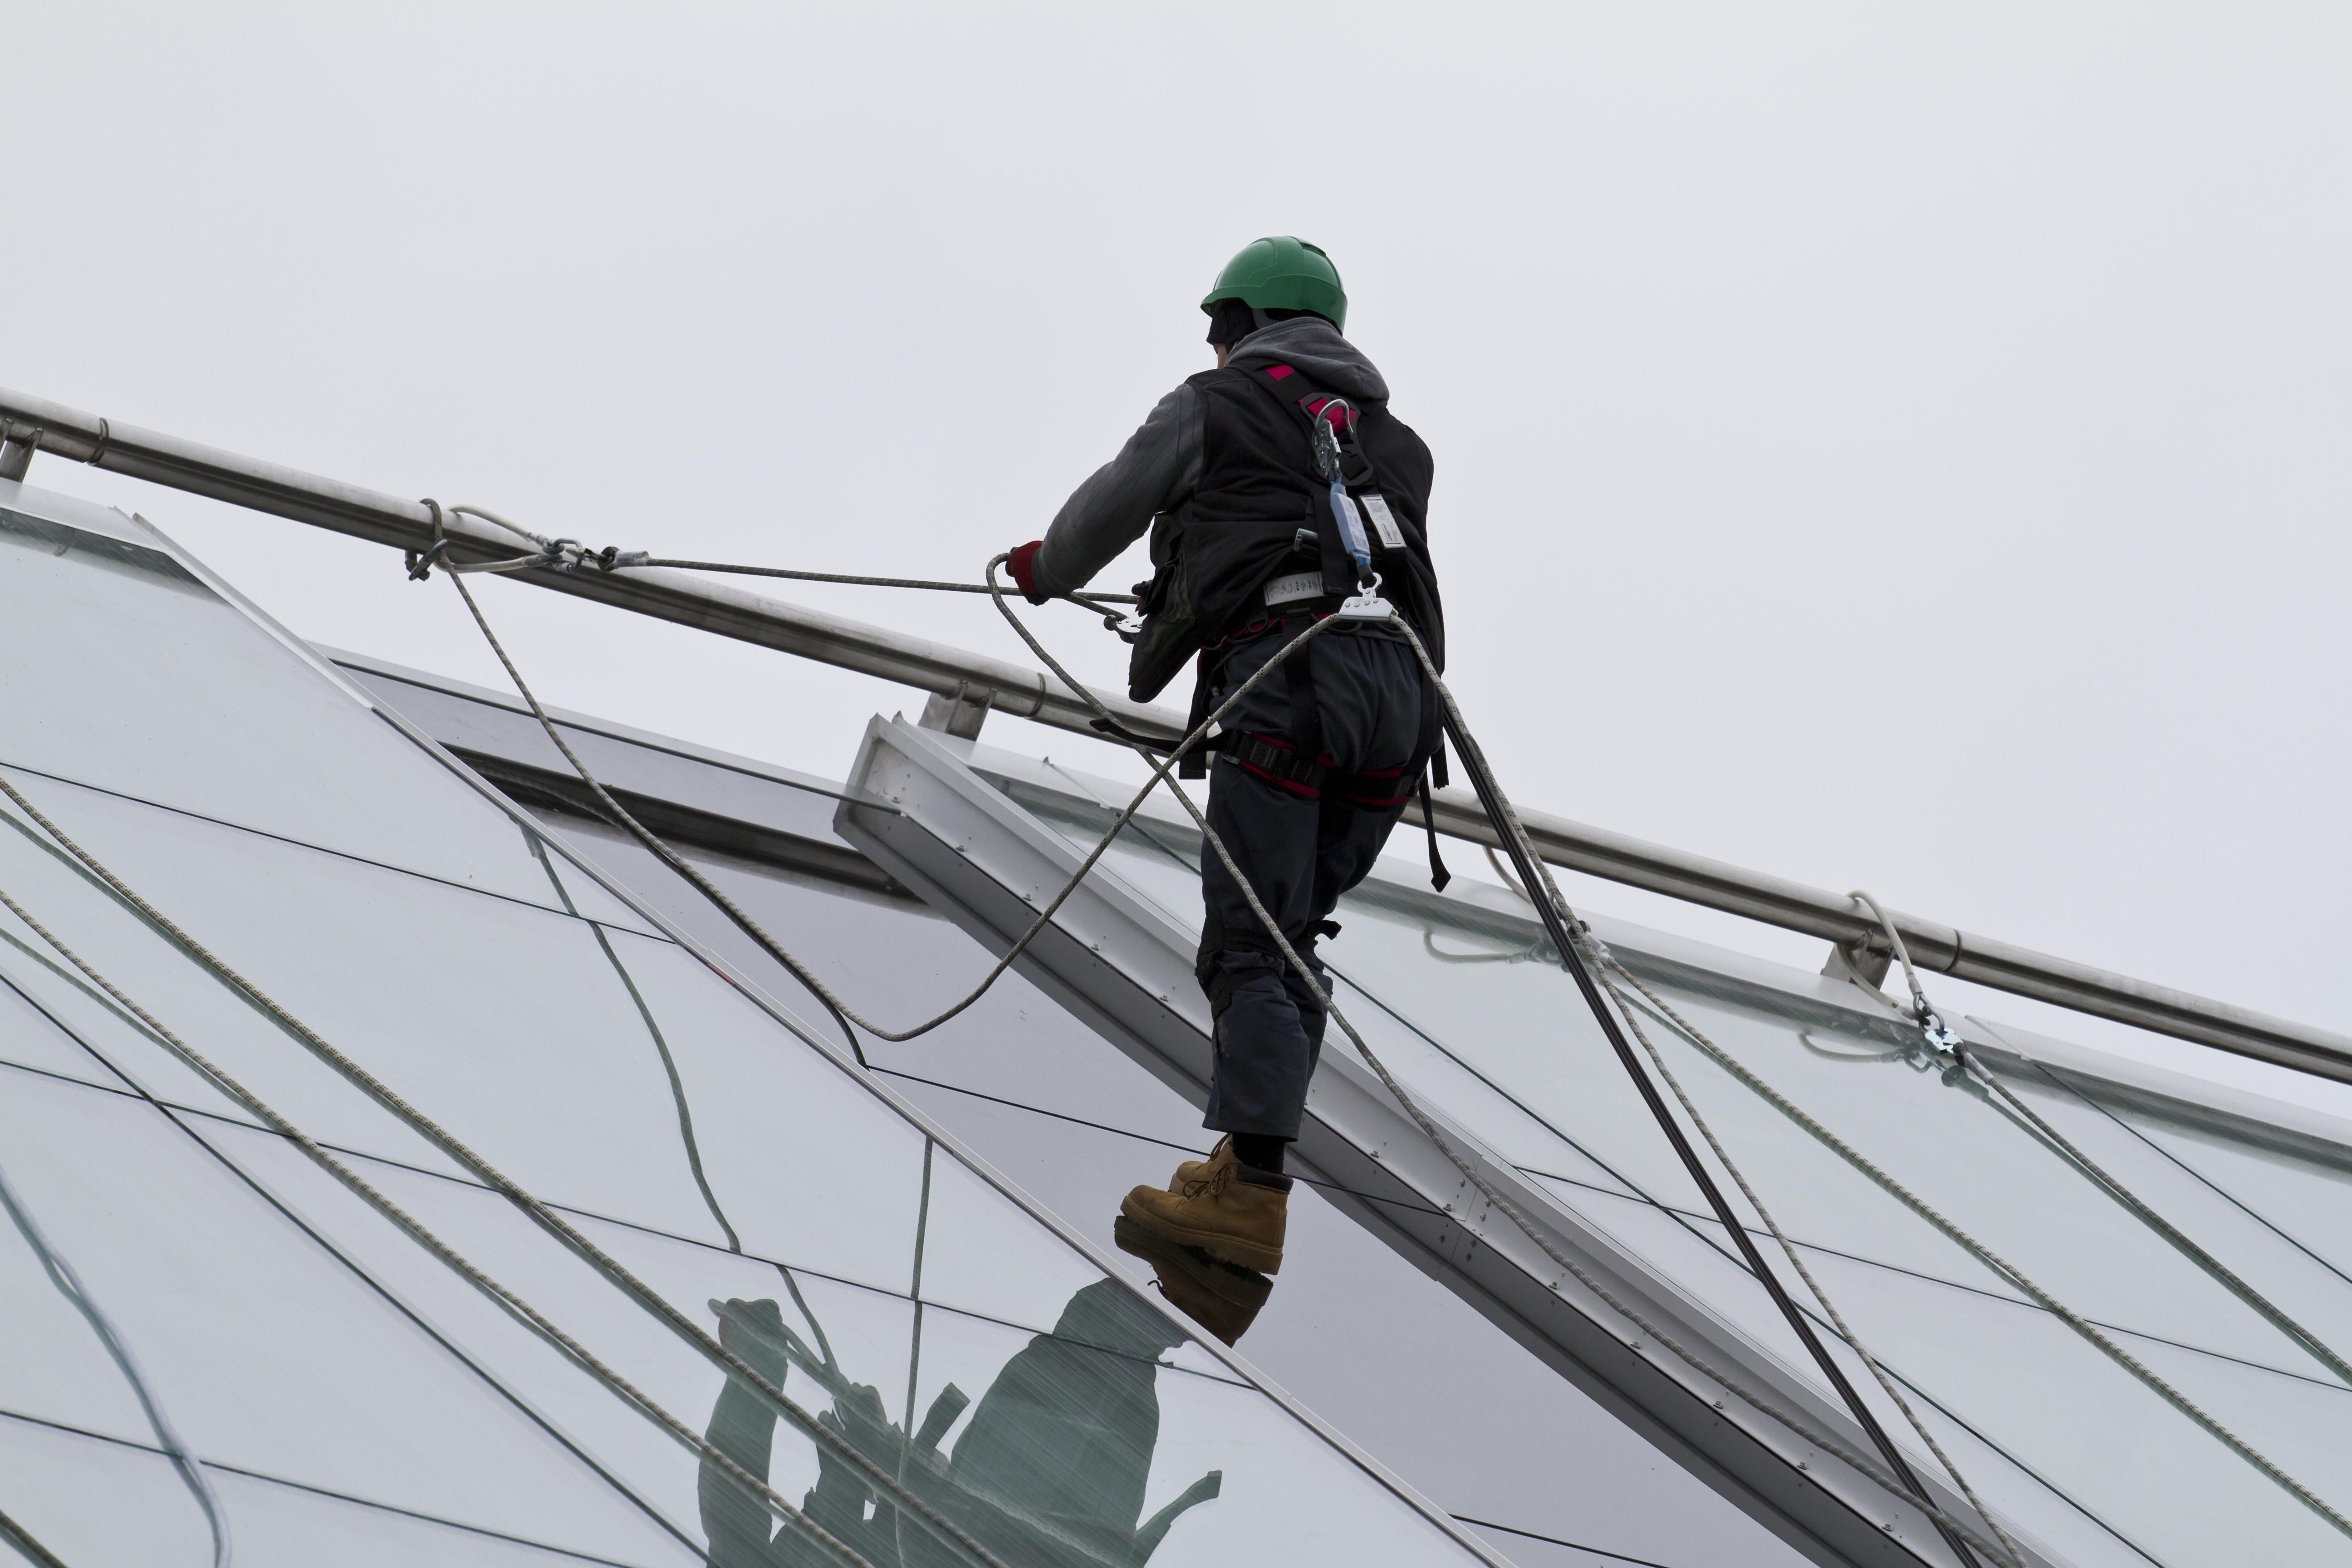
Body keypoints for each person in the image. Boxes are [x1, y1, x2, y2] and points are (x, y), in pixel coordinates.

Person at [1005, 236, 1445, 1279]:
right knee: (1291, 940)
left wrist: (1043, 569)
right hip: (1399, 715)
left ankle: (1249, 1201)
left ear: (1250, 320)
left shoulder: (1216, 402)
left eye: (1220, 320)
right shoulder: (1405, 445)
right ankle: (1241, 1172)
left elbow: (1107, 511)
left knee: (1249, 945)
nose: (1211, 339)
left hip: (1289, 686)